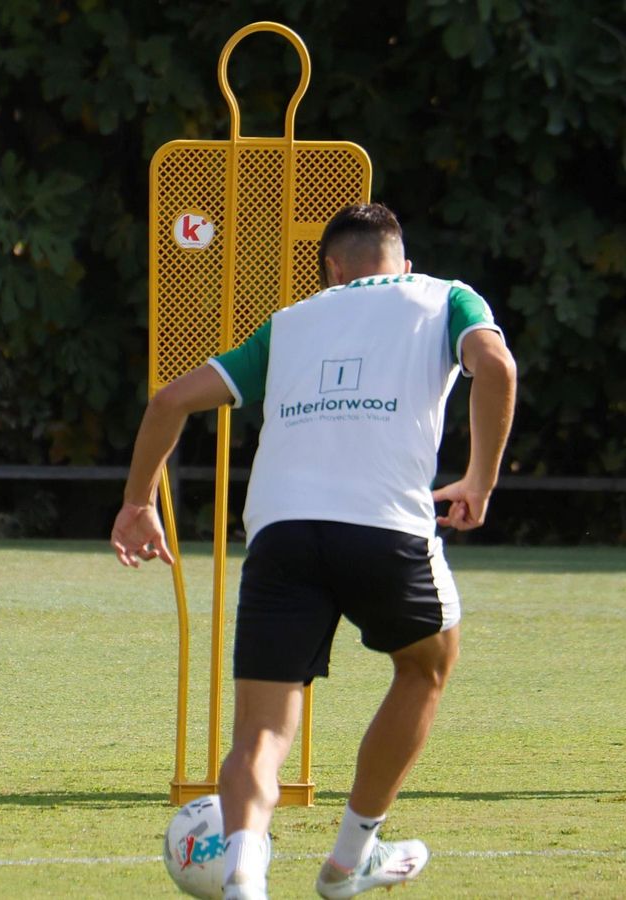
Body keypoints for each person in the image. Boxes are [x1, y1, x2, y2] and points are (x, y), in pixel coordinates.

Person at [111, 204, 516, 900]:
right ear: (403, 261)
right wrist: (480, 479)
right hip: (385, 526)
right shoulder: (444, 297)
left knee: (260, 734)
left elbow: (169, 401)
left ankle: (242, 879)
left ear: (331, 268)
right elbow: (497, 367)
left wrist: (139, 504)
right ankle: (349, 856)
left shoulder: (290, 323)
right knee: (425, 667)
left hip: (281, 533)